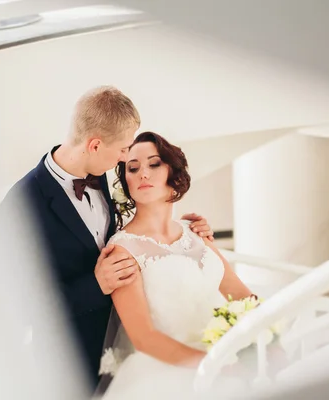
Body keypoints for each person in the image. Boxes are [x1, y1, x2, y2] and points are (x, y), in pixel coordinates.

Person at [0, 87, 215, 391]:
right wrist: (95, 286)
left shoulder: (100, 176)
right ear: (95, 145)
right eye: (124, 150)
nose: (126, 159)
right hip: (70, 364)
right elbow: (19, 307)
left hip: (126, 354)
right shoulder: (20, 207)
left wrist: (187, 234)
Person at [99, 131, 271, 399]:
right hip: (169, 374)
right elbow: (144, 338)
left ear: (173, 174)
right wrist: (214, 366)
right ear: (127, 182)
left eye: (154, 164)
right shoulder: (122, 249)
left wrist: (270, 339)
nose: (143, 173)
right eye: (133, 168)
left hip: (227, 356)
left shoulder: (196, 231)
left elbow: (242, 296)